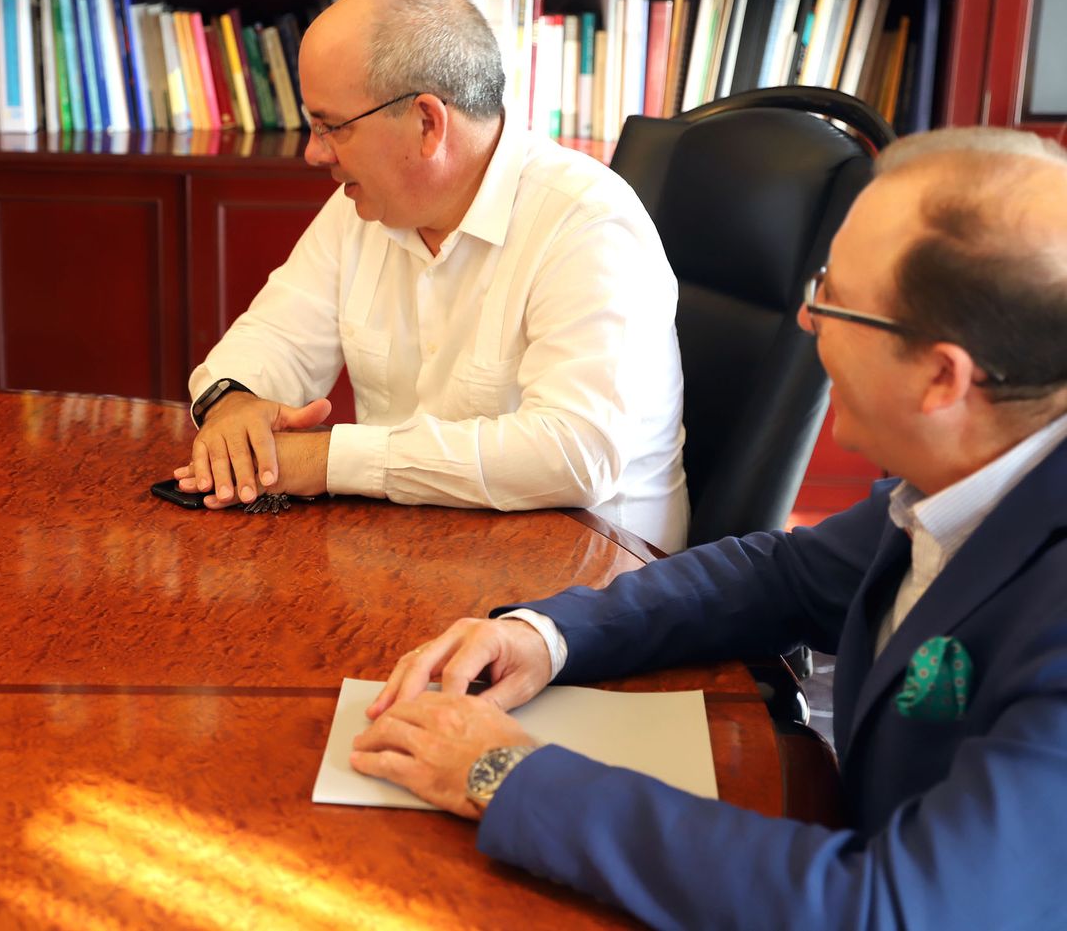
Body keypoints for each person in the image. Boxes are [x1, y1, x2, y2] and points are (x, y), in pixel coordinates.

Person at [351, 126, 1067, 928]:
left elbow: (887, 909)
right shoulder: (975, 469)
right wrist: (546, 632)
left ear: (943, 377)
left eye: (833, 299)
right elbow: (785, 575)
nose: (803, 318)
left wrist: (506, 775)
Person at [172, 0, 689, 551]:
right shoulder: (364, 209)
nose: (313, 152)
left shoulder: (587, 222)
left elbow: (575, 454)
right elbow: (274, 340)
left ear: (426, 122)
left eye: (329, 127)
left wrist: (325, 460)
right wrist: (236, 405)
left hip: (586, 590)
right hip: (415, 553)